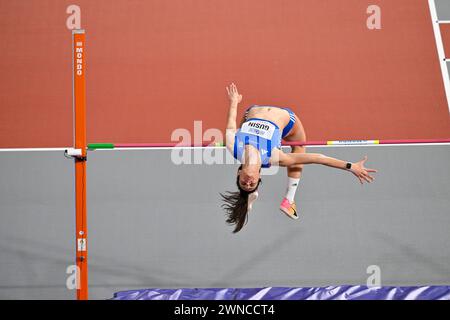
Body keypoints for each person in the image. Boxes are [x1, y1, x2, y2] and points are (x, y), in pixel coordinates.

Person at [221, 83, 377, 233]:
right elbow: (318, 158)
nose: (248, 181)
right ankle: (289, 199)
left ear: (238, 173)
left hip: (251, 112)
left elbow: (230, 123)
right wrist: (351, 167)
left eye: (244, 183)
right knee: (300, 146)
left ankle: (256, 196)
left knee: (238, 129)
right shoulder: (273, 157)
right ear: (259, 176)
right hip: (287, 119)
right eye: (252, 183)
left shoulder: (234, 147)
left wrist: (234, 101)